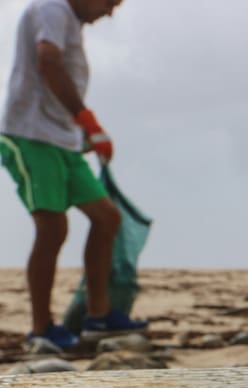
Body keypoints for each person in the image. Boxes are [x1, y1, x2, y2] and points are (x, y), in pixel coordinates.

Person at [0, 0, 147, 352]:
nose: (109, 12)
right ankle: (41, 329)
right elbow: (48, 61)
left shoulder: (70, 20)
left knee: (107, 217)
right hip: (30, 133)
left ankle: (99, 316)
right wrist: (87, 120)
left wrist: (80, 133)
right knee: (52, 227)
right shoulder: (52, 7)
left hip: (62, 138)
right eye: (109, 2)